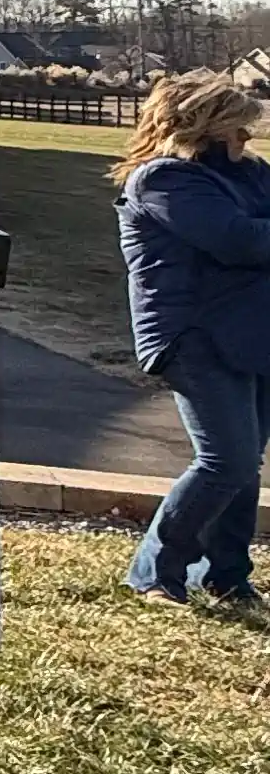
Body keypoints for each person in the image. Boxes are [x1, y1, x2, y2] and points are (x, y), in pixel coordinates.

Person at [112, 70, 270, 614]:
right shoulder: (163, 180)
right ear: (205, 125)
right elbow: (236, 240)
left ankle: (227, 576)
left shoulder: (249, 174)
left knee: (244, 463)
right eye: (239, 128)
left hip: (252, 330)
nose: (248, 140)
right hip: (193, 334)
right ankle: (155, 573)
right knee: (225, 460)